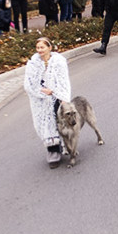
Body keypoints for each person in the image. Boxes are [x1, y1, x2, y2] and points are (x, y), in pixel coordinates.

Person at [23, 37, 71, 168]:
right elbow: (29, 85)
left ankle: (66, 145)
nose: (39, 50)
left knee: (60, 123)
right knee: (46, 125)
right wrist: (42, 91)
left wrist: (60, 96)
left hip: (56, 97)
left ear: (49, 48)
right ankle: (53, 151)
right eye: (38, 48)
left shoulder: (59, 62)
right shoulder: (32, 64)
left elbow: (63, 81)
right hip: (40, 100)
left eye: (42, 47)